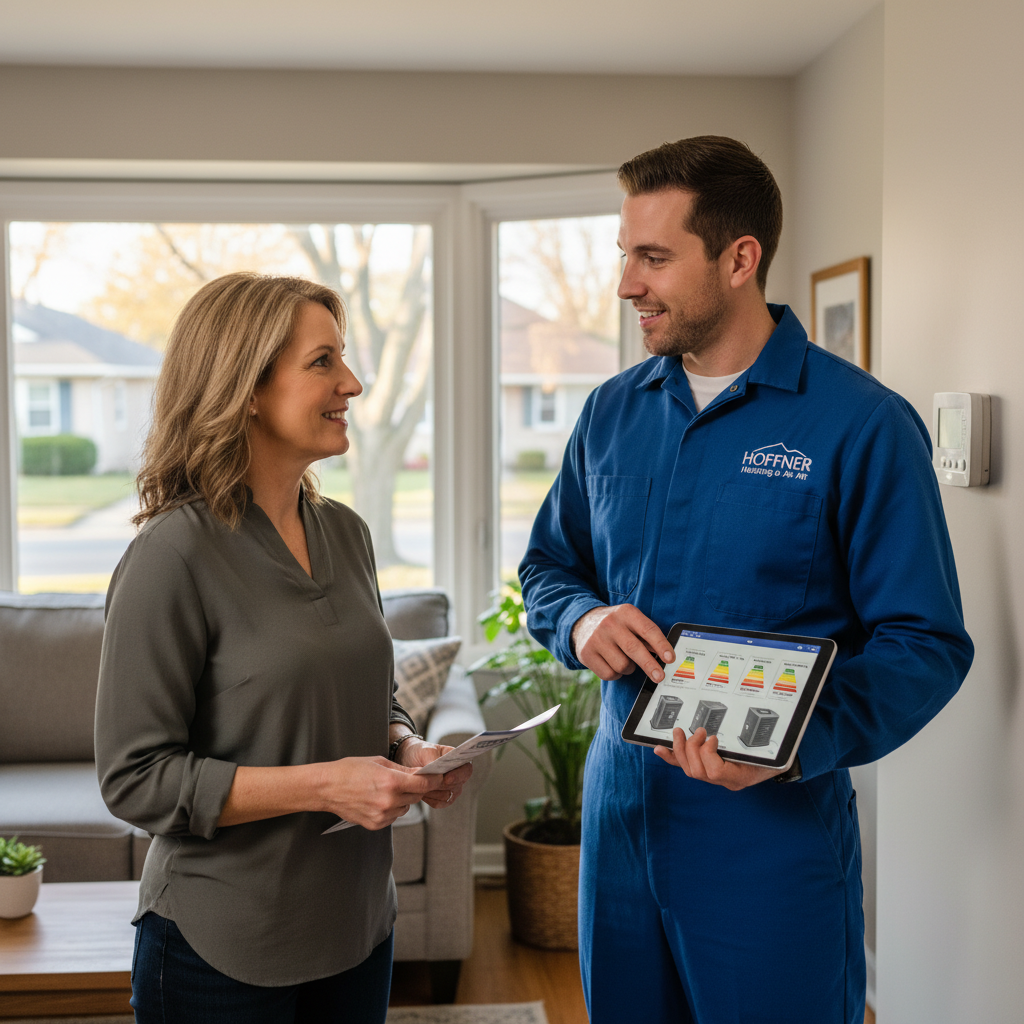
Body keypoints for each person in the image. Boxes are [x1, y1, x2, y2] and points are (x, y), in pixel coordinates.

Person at [518, 136, 973, 1024]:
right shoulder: (609, 411)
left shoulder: (864, 425)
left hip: (770, 838)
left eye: (654, 258)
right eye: (625, 255)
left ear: (739, 259)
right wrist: (579, 621)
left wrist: (792, 742)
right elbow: (549, 566)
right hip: (619, 824)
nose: (626, 285)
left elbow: (926, 644)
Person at [94, 272, 472, 1024]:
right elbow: (135, 779)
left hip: (359, 927)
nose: (352, 384)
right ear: (247, 389)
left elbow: (372, 695)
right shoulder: (172, 554)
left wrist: (405, 746)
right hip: (222, 945)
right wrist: (325, 785)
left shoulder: (347, 533)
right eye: (322, 362)